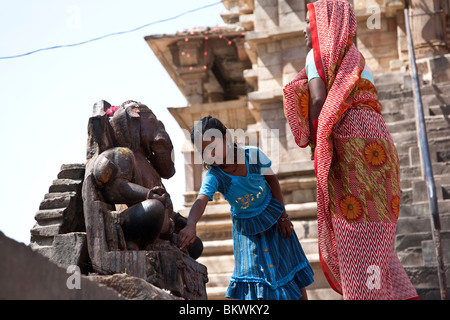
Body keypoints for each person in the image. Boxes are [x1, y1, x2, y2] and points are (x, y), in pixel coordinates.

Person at [283, 0, 418, 300]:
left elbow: (317, 101)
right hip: (379, 150)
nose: (304, 30)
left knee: (353, 236)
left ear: (326, 26)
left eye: (310, 22)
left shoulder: (318, 57)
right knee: (376, 237)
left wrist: (317, 148)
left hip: (349, 145)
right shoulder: (357, 57)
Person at [177, 115, 314, 300]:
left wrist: (283, 216)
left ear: (226, 139)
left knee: (290, 273)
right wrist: (191, 224)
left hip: (275, 221)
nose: (209, 155)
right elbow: (201, 200)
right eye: (203, 151)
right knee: (256, 281)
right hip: (247, 234)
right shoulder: (214, 176)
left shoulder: (253, 155)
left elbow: (273, 181)